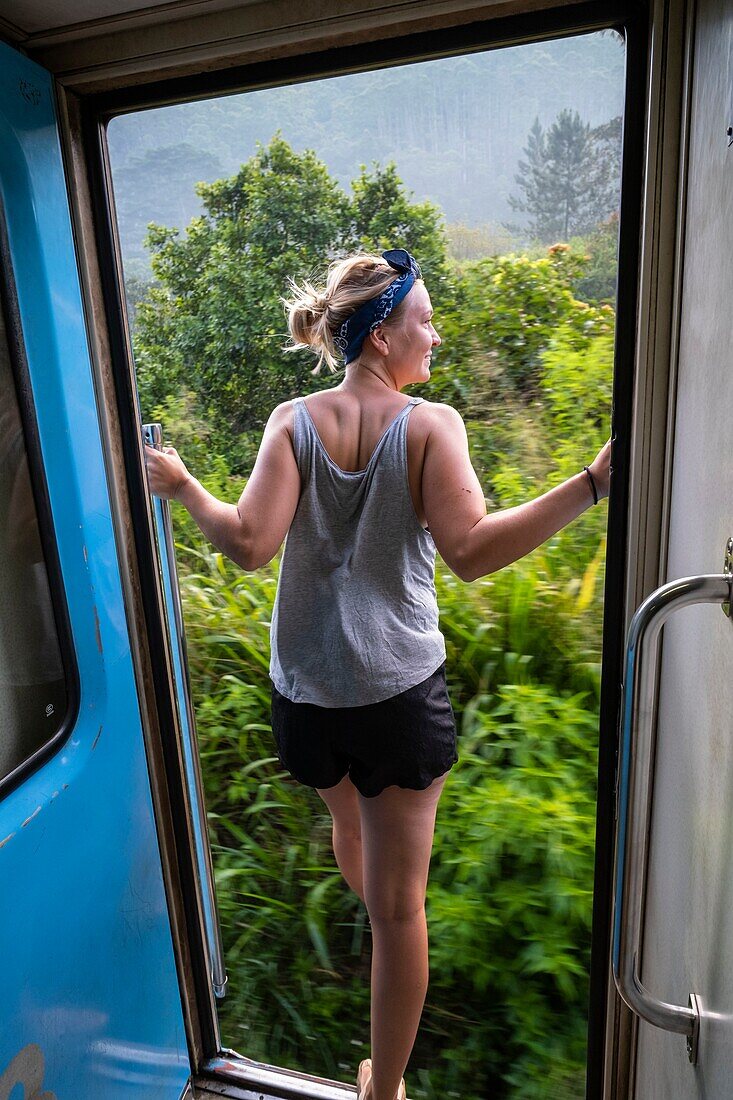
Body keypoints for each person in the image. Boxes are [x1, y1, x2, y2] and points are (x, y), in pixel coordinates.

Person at [144, 247, 612, 1100]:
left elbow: (248, 545)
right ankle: (383, 1091)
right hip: (395, 698)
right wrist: (590, 482)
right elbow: (471, 553)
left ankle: (380, 944)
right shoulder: (430, 426)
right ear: (384, 334)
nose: (434, 334)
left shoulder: (291, 419)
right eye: (425, 320)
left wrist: (180, 486)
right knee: (401, 915)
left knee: (350, 830)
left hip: (307, 707)